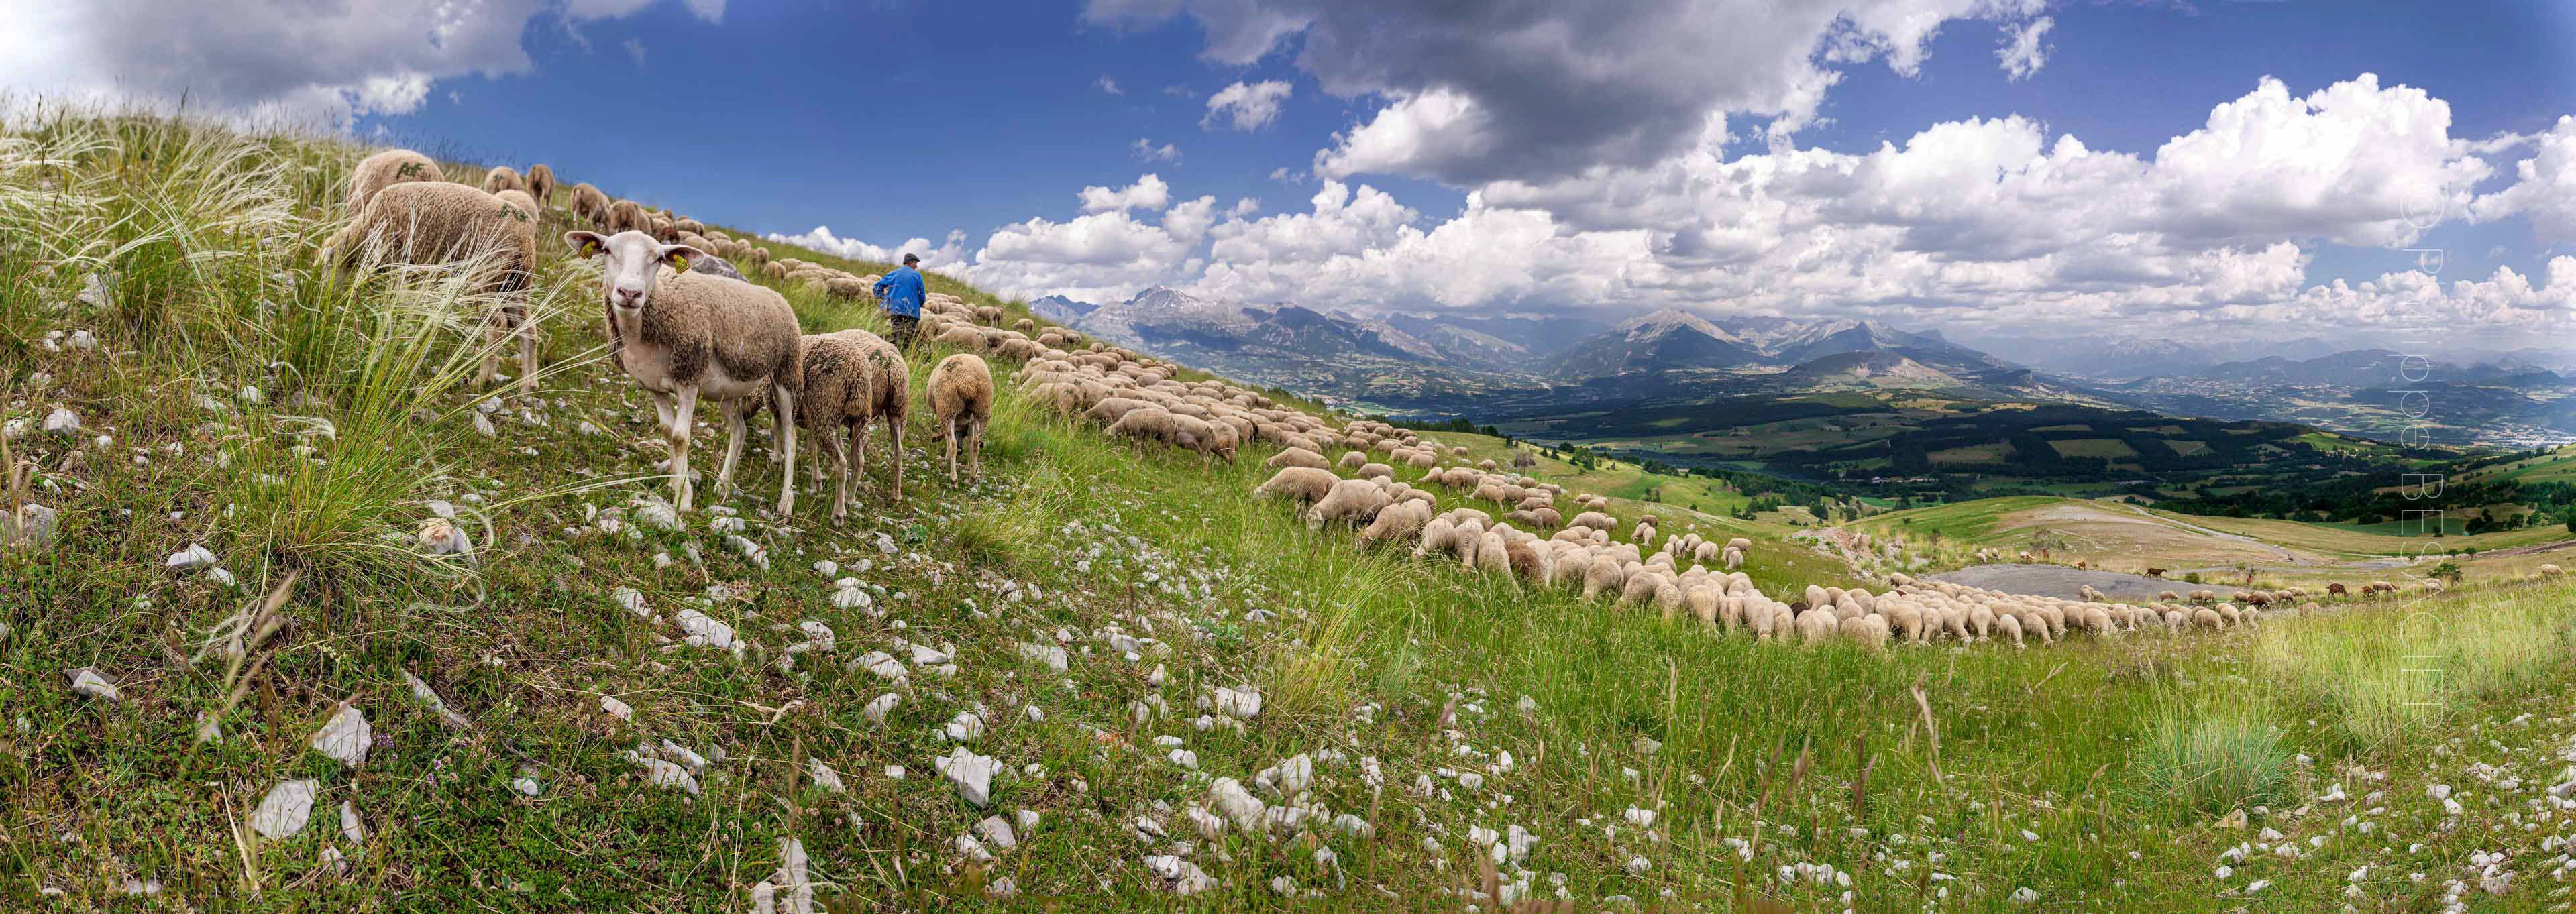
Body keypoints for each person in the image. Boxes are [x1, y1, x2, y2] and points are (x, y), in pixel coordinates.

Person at [873, 253, 927, 349]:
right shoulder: (917, 276)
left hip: (896, 310)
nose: (917, 266)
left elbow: (877, 287)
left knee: (896, 334)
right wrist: (918, 306)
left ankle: (896, 354)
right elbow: (922, 296)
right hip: (912, 312)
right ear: (910, 263)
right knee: (908, 337)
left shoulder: (894, 273)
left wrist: (884, 298)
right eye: (915, 263)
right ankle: (905, 356)